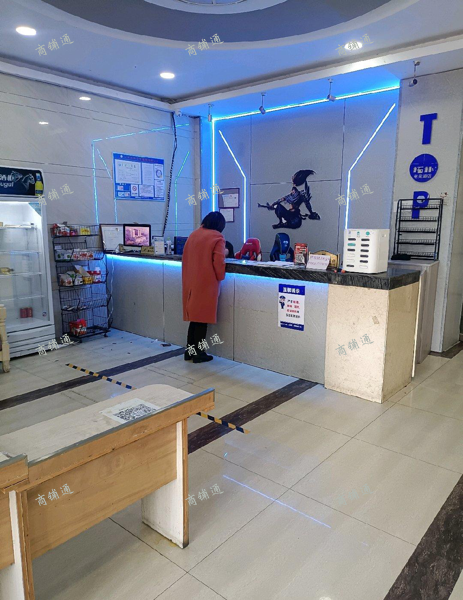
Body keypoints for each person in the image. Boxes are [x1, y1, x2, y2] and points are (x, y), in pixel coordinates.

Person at [182, 211, 226, 363]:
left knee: (194, 319)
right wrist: (220, 276)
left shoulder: (194, 234)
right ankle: (199, 354)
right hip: (206, 284)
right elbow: (218, 262)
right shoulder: (217, 237)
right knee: (202, 320)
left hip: (191, 282)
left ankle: (189, 352)